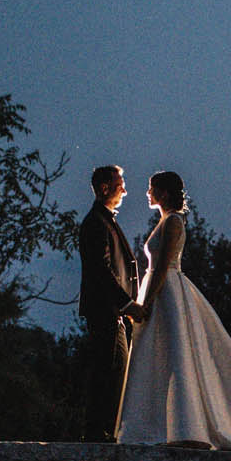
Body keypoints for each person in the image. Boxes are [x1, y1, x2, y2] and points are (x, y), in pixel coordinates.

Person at [117, 172, 231, 455]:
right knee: (160, 356)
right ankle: (160, 424)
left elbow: (163, 265)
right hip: (160, 288)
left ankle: (186, 427)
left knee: (178, 355)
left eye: (152, 188)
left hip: (167, 290)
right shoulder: (166, 221)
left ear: (164, 193)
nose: (147, 193)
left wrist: (147, 301)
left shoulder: (174, 222)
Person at [77, 164, 138, 441]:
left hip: (111, 312)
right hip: (106, 311)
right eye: (119, 184)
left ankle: (102, 430)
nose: (124, 190)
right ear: (104, 188)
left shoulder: (103, 221)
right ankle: (99, 433)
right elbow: (101, 270)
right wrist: (126, 305)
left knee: (113, 370)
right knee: (110, 370)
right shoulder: (95, 223)